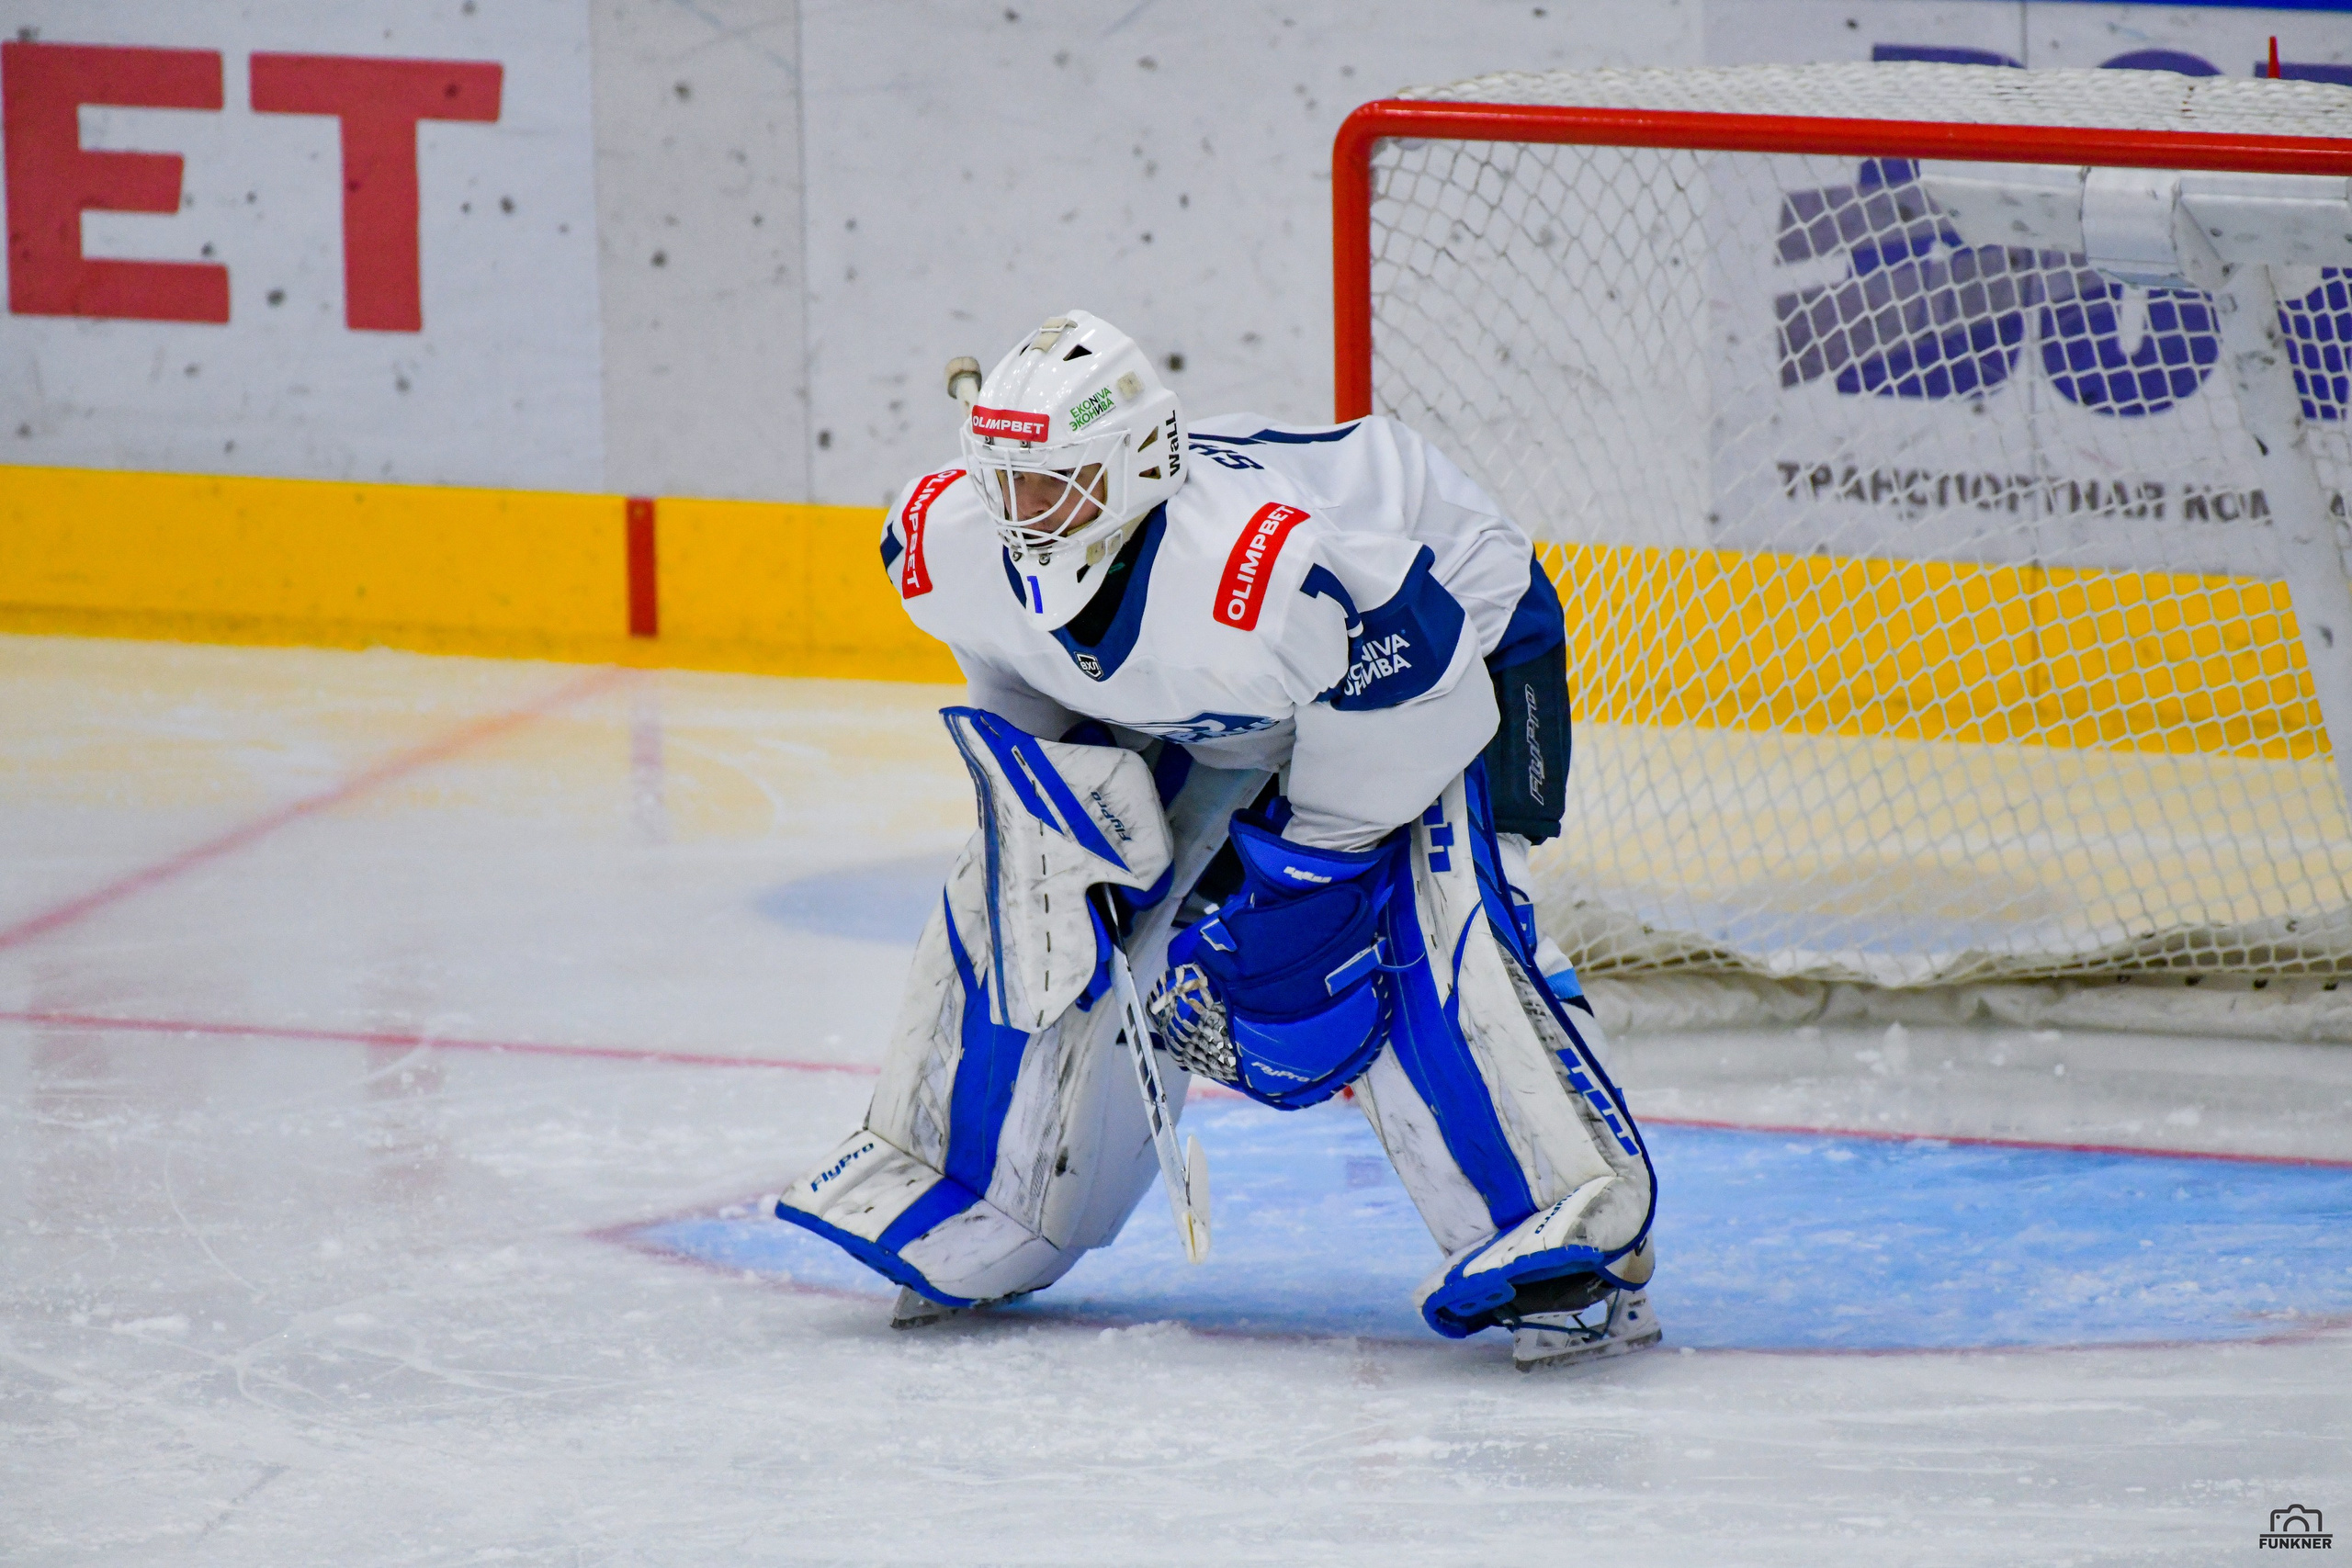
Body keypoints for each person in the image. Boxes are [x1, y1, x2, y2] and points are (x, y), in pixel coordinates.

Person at [775, 310, 1657, 1371]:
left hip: (1446, 645)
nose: (1022, 515)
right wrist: (1061, 811)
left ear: (1138, 464)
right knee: (1032, 900)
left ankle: (1568, 1224)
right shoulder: (946, 538)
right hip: (1255, 688)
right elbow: (1017, 663)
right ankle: (984, 1192)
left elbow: (1420, 693)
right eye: (1005, 483)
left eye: (1053, 485)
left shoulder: (1260, 568)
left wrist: (1310, 871)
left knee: (1425, 915)